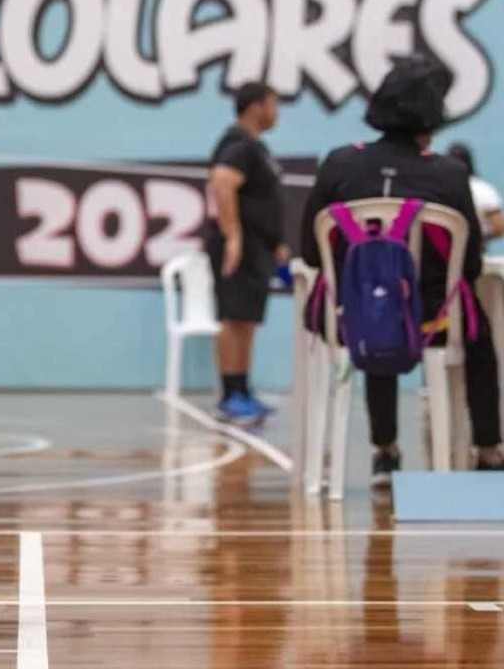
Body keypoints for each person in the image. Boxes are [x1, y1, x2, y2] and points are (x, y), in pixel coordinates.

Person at [300, 54, 504, 486]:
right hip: (433, 323)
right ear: (432, 122)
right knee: (478, 333)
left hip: (349, 323)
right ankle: (488, 452)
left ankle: (385, 452)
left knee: (377, 304)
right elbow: (467, 267)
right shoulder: (449, 175)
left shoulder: (337, 164)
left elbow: (312, 254)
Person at [204, 82, 287, 426]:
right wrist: (234, 236)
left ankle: (243, 387)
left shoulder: (257, 147)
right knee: (233, 317)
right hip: (239, 248)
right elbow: (222, 183)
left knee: (247, 319)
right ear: (257, 107)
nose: (277, 112)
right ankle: (229, 394)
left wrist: (276, 243)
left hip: (258, 248)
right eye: (273, 104)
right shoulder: (238, 144)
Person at [447, 143, 504, 244]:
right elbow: (499, 227)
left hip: (442, 249)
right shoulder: (484, 190)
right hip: (477, 249)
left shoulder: (441, 189)